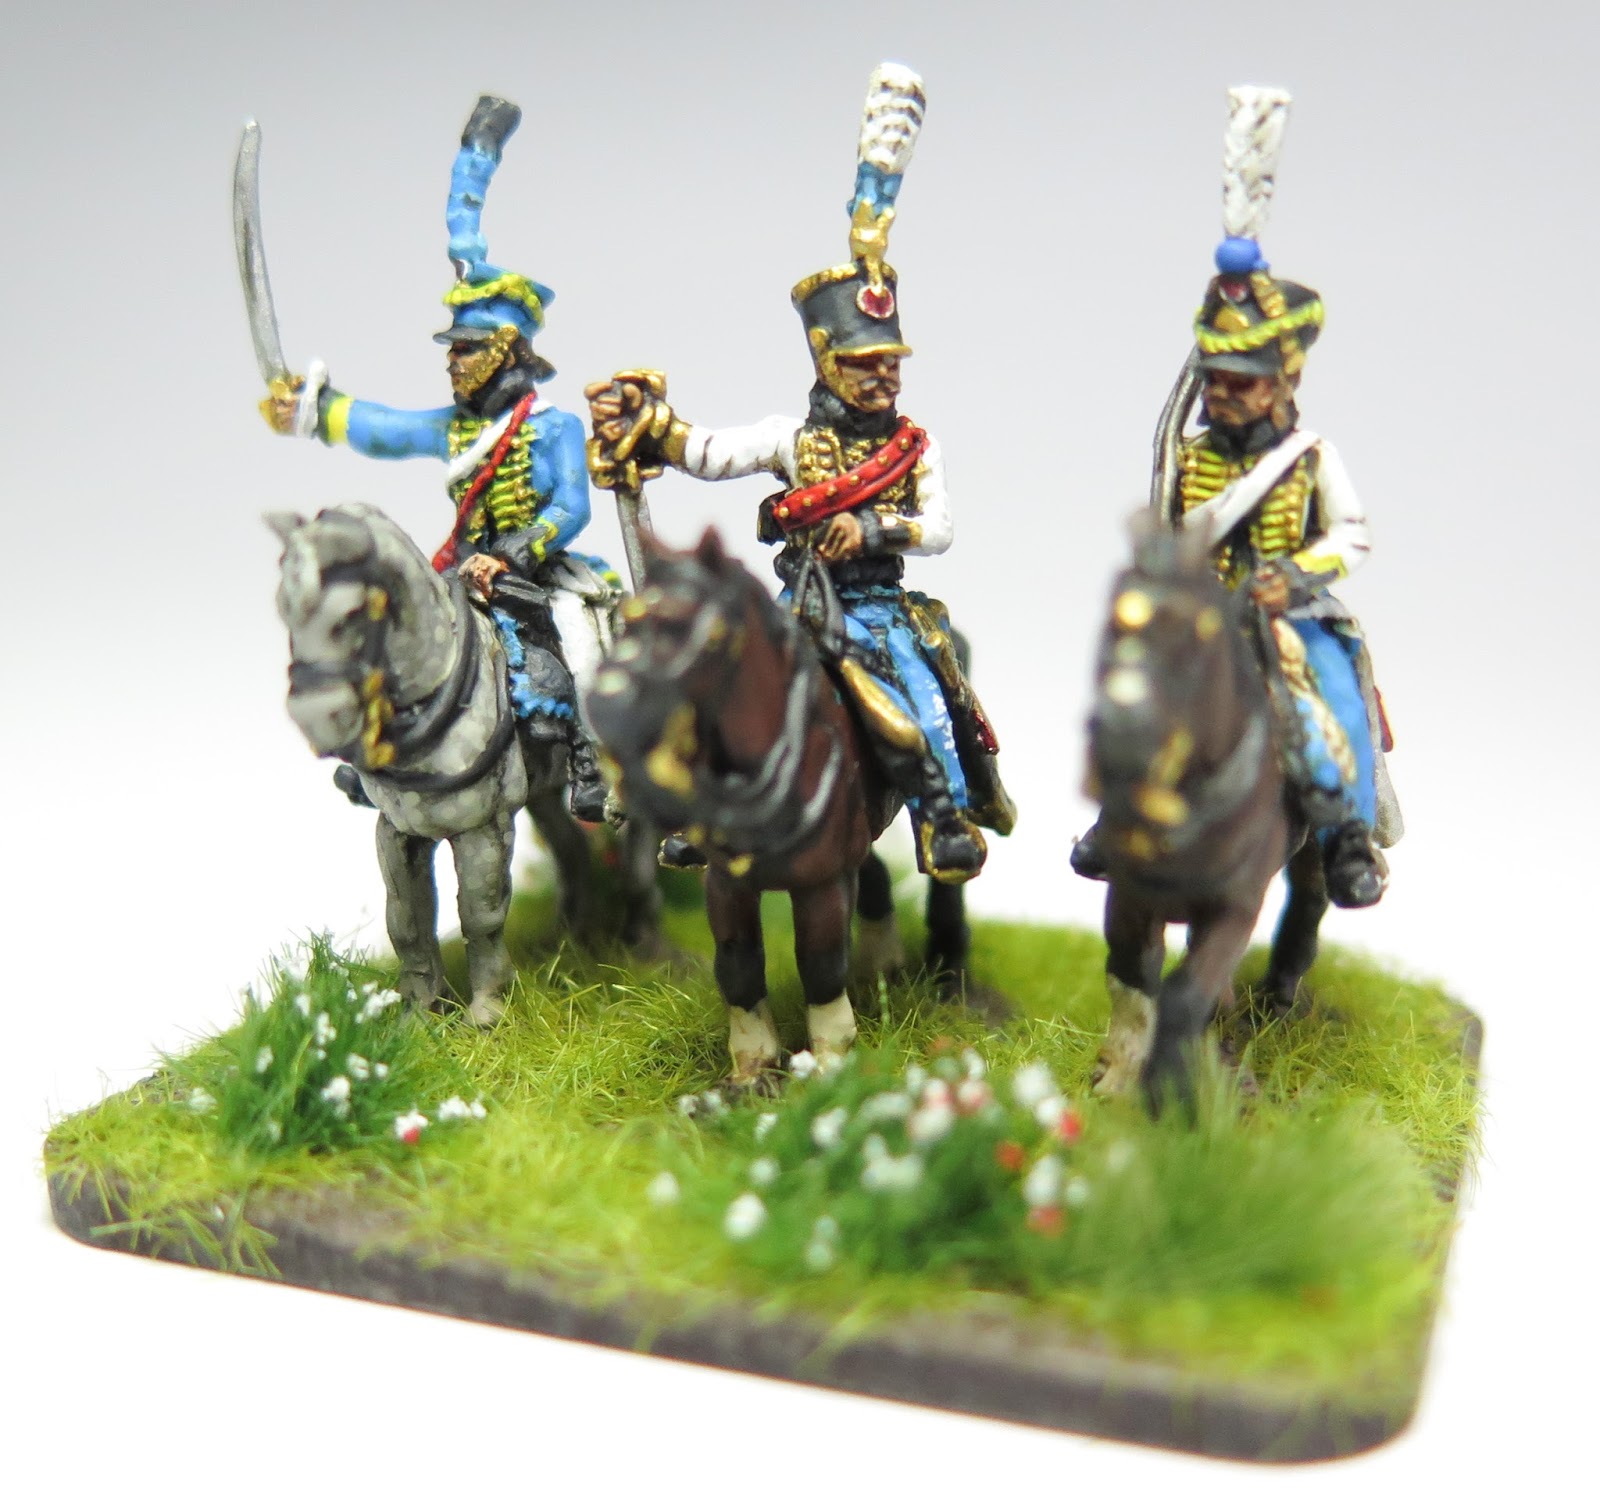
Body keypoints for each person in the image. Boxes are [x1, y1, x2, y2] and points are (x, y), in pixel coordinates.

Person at [587, 65, 1012, 882]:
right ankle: (702, 811)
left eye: (891, 364)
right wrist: (652, 426)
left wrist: (874, 527)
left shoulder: (917, 446)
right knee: (715, 682)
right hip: (801, 605)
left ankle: (946, 816)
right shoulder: (790, 437)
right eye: (866, 365)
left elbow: (940, 528)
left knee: (925, 697)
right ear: (827, 361)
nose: (883, 378)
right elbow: (710, 453)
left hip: (877, 608)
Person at [1073, 85, 1399, 907]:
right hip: (1206, 616)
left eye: (1242, 382)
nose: (1223, 395)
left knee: (1330, 705)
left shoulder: (1310, 457)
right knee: (1140, 697)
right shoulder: (1187, 457)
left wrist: (1297, 574)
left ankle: (1347, 838)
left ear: (1285, 380)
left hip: (1289, 616)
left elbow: (1354, 534)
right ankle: (1118, 817)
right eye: (1215, 381)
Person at [259, 96, 618, 820]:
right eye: (453, 351)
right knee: (395, 633)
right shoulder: (456, 429)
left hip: (538, 569)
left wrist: (510, 555)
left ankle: (591, 763)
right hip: (464, 564)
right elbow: (388, 429)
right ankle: (377, 755)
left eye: (467, 351)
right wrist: (314, 411)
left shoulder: (552, 427)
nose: (453, 364)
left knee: (579, 644)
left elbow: (572, 507)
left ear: (507, 352)